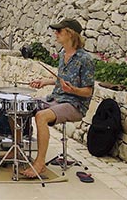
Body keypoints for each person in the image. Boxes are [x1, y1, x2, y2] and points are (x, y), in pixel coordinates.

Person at [22, 18, 95, 178]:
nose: (55, 33)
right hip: (56, 98)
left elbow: (88, 92)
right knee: (20, 105)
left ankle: (39, 163)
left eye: (59, 31)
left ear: (70, 33)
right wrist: (45, 81)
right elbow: (61, 79)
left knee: (41, 116)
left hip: (74, 104)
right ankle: (16, 149)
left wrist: (73, 89)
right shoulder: (63, 54)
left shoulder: (85, 59)